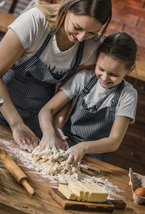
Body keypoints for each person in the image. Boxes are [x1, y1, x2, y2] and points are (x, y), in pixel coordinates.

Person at [0, 0, 112, 152]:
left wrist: (55, 126)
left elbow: (68, 92)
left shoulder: (91, 46)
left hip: (35, 122)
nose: (81, 38)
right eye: (77, 27)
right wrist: (16, 124)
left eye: (91, 33)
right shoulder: (35, 23)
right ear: (66, 8)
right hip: (5, 111)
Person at [38, 32, 138, 165]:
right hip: (64, 147)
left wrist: (83, 147)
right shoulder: (83, 78)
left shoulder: (128, 95)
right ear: (97, 59)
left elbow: (114, 141)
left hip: (94, 158)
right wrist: (50, 133)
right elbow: (46, 110)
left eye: (113, 74)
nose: (104, 77)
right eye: (101, 69)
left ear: (130, 70)